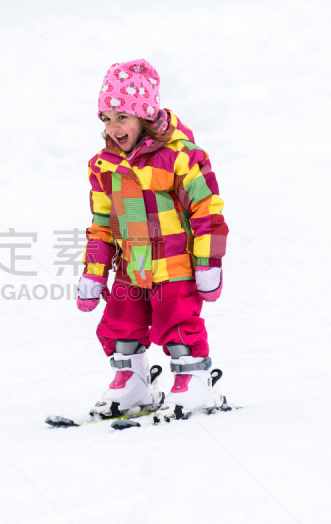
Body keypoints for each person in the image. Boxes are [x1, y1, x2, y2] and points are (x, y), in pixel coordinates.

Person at [77, 58, 229, 421]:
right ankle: (132, 381)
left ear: (144, 116)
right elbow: (102, 224)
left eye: (122, 117)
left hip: (175, 264)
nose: (113, 127)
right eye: (106, 118)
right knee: (120, 323)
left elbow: (208, 212)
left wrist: (208, 263)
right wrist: (94, 272)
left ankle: (194, 380)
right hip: (133, 266)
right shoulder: (105, 166)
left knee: (177, 323)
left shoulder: (180, 157)